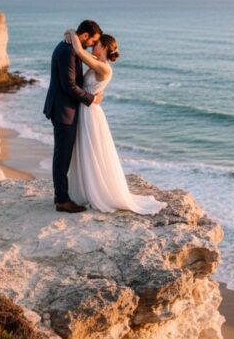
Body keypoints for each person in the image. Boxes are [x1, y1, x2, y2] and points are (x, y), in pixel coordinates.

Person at [62, 28, 167, 215]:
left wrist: (71, 33)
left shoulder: (104, 68)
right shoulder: (98, 62)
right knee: (87, 151)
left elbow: (78, 51)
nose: (93, 45)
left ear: (104, 47)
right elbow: (82, 55)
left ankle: (98, 192)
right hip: (87, 109)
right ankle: (87, 189)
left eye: (96, 43)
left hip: (90, 112)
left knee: (92, 150)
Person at [42, 20, 103, 213]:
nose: (93, 45)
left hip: (63, 107)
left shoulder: (70, 47)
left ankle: (60, 194)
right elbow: (69, 86)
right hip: (63, 110)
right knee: (63, 156)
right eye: (93, 41)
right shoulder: (68, 51)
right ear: (84, 36)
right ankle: (62, 200)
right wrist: (91, 99)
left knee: (62, 154)